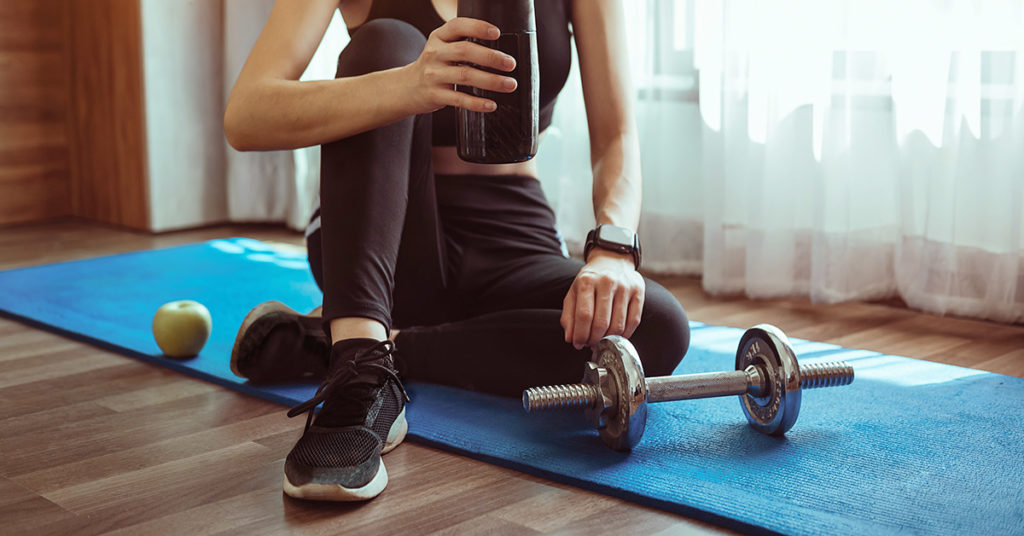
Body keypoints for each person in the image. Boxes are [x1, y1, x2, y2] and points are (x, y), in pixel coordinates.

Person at [224, 0, 690, 502]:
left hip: (514, 230)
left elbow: (617, 134)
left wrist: (613, 250)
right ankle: (358, 369)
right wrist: (410, 84)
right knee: (387, 40)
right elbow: (247, 115)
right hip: (382, 232)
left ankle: (357, 346)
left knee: (652, 324)